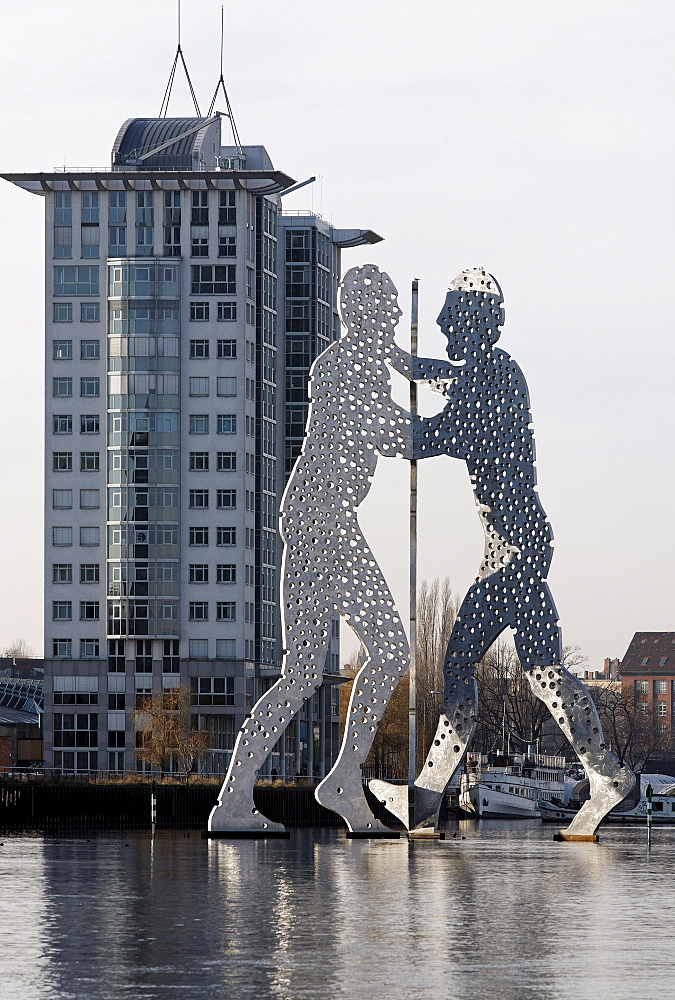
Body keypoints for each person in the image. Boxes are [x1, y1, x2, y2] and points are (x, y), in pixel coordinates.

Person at [371, 268, 634, 838]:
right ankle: (605, 775)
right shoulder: (497, 370)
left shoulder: (489, 379)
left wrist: (360, 419)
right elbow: (443, 376)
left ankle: (423, 797)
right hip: (522, 542)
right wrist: (396, 359)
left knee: (460, 665)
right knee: (545, 675)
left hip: (513, 550)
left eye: (449, 314)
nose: (440, 322)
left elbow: (425, 438)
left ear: (473, 320)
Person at [209, 265, 413, 834]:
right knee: (389, 651)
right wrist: (460, 429)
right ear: (364, 314)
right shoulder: (348, 367)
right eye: (387, 308)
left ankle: (241, 798)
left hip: (317, 519)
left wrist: (427, 371)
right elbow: (398, 434)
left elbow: (400, 377)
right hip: (323, 520)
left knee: (300, 673)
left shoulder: (360, 362)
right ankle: (339, 781)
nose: (395, 318)